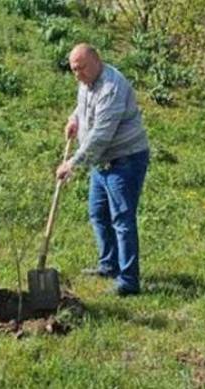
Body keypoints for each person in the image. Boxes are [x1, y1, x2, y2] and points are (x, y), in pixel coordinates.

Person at [56, 43, 150, 296]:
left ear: (97, 60)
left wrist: (73, 163)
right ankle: (109, 265)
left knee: (122, 220)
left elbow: (100, 136)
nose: (78, 74)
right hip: (101, 162)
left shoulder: (112, 86)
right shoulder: (87, 82)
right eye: (74, 70)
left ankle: (128, 282)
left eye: (82, 68)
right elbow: (83, 106)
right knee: (98, 214)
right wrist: (74, 119)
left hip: (125, 160)